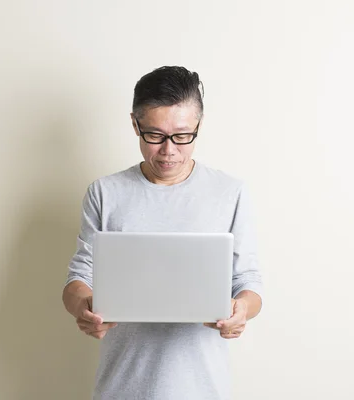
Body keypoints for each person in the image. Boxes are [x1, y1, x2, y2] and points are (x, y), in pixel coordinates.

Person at [62, 66, 263, 400]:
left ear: (198, 125)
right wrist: (82, 306)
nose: (169, 150)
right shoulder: (105, 193)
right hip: (121, 386)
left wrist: (241, 310)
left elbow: (249, 283)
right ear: (135, 125)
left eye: (183, 136)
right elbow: (79, 277)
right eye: (154, 135)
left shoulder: (230, 192)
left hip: (203, 388)